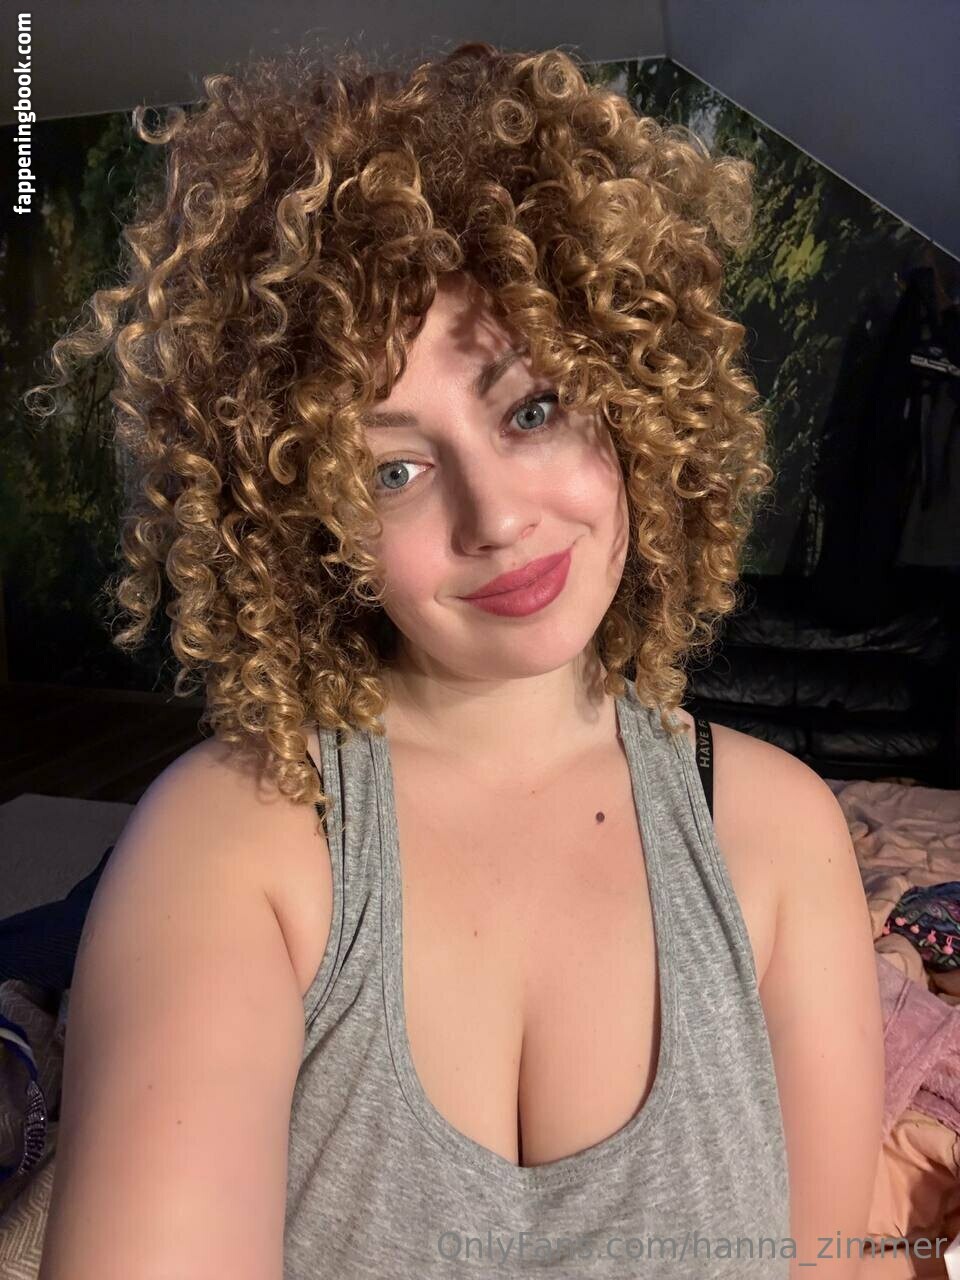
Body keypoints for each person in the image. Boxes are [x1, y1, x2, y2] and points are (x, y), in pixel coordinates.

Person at [28, 41, 884, 1280]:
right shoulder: (232, 843)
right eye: (393, 468)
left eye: (532, 408)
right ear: (305, 517)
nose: (495, 516)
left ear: (634, 401)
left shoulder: (780, 833)